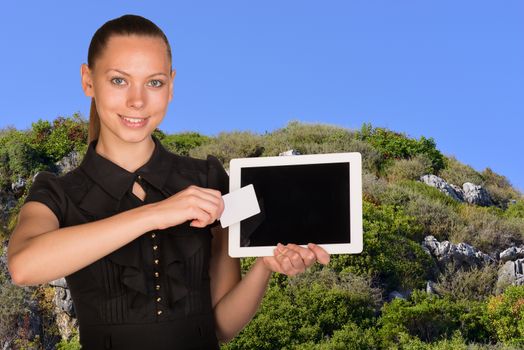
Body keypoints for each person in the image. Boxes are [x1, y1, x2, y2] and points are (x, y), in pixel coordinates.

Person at [7, 14, 330, 350]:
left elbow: (222, 326)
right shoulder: (58, 192)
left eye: (154, 82)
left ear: (171, 85)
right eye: (119, 80)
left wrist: (264, 267)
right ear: (88, 80)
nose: (137, 100)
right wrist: (156, 214)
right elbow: (24, 266)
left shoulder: (208, 179)